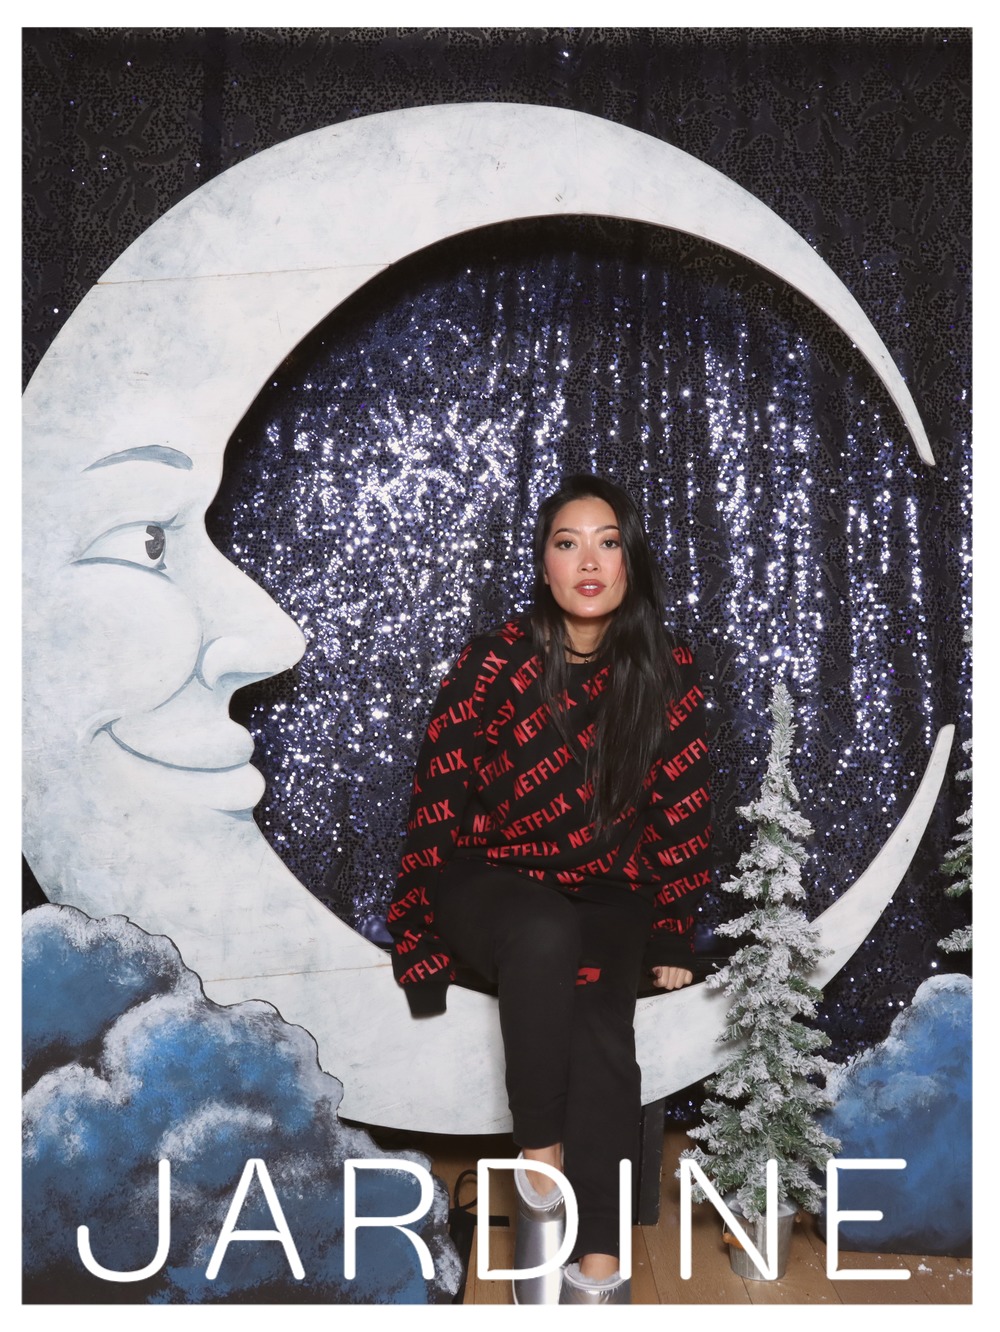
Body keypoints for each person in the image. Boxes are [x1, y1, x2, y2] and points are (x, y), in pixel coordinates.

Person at [387, 473, 712, 1305]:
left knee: (601, 1021)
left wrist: (672, 930)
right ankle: (541, 1157)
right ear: (544, 563)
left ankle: (598, 1265)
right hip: (488, 879)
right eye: (568, 544)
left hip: (607, 890)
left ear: (631, 561)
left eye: (607, 543)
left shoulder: (666, 667)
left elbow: (683, 804)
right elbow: (437, 795)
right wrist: (417, 933)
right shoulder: (495, 659)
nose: (589, 561)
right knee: (543, 932)